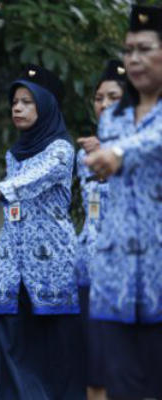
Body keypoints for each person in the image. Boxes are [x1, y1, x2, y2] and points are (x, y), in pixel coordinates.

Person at [0, 64, 84, 399]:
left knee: (55, 360)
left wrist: (2, 189)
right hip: (10, 267)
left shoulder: (62, 150)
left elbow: (40, 177)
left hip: (53, 271)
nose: (16, 108)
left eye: (27, 102)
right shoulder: (14, 153)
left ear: (46, 106)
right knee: (13, 354)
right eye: (15, 102)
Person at [85, 5, 162, 399]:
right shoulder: (113, 118)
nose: (133, 59)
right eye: (129, 49)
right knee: (119, 387)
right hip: (116, 279)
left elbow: (154, 140)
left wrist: (119, 154)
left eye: (145, 49)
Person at [75, 59, 125, 400]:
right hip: (89, 270)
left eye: (113, 97)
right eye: (98, 97)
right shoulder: (83, 155)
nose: (103, 104)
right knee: (95, 373)